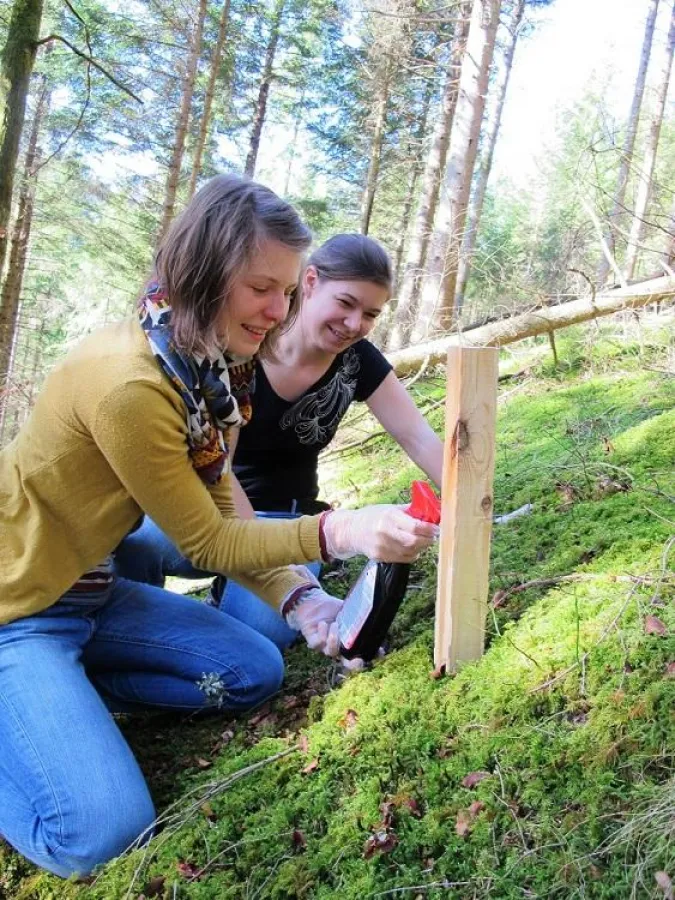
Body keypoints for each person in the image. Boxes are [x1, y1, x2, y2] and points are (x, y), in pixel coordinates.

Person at [0, 177, 438, 879]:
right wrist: (341, 532)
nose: (277, 309)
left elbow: (224, 498)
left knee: (251, 674)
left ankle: (61, 701)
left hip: (89, 589)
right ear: (204, 273)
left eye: (288, 290)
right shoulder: (130, 386)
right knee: (99, 835)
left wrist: (302, 598)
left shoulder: (208, 368)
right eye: (261, 287)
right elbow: (207, 543)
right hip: (17, 608)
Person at [115, 233, 444, 648]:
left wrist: (469, 500)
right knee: (135, 544)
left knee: (261, 634)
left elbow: (415, 434)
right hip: (212, 511)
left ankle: (220, 625)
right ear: (309, 283)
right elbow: (215, 465)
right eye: (345, 303)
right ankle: (132, 638)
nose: (355, 323)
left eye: (370, 314)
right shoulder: (245, 342)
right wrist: (259, 559)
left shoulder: (358, 361)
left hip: (292, 526)